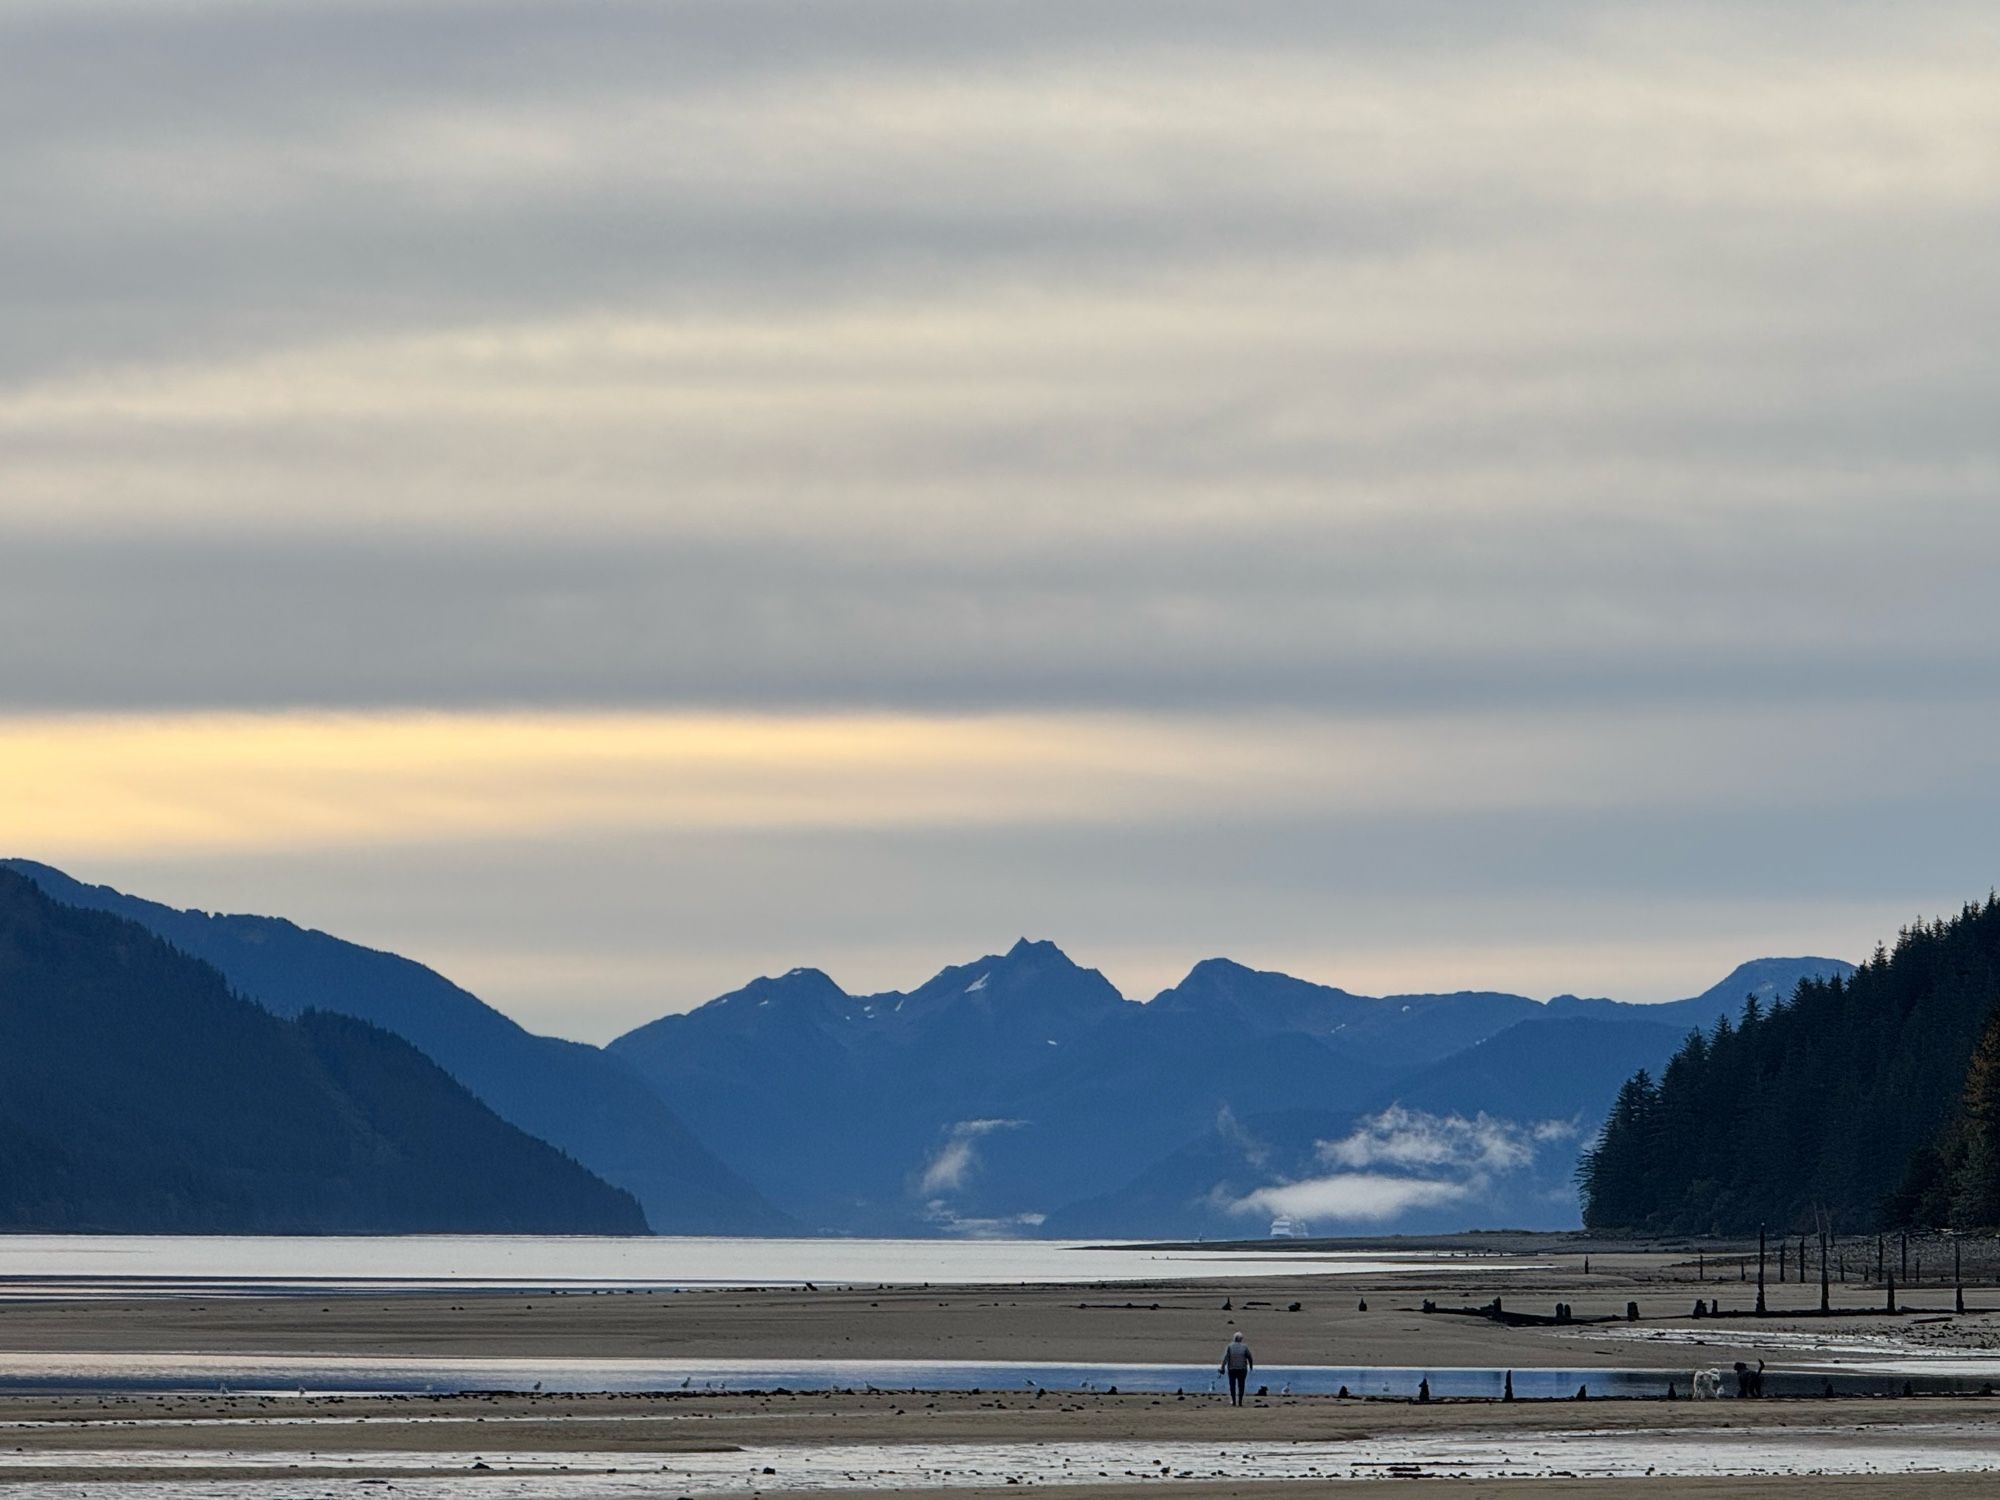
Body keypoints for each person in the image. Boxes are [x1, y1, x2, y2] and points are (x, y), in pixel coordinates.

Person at [1219, 1331, 1254, 1406]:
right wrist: (1251, 1366)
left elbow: (1226, 1358)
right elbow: (1249, 1357)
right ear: (1241, 1339)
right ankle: (1240, 1402)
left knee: (1232, 1385)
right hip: (1242, 1369)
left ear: (1234, 1338)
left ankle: (1234, 1401)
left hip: (1232, 1369)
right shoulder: (1244, 1347)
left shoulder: (1230, 1346)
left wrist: (1222, 1367)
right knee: (1241, 1385)